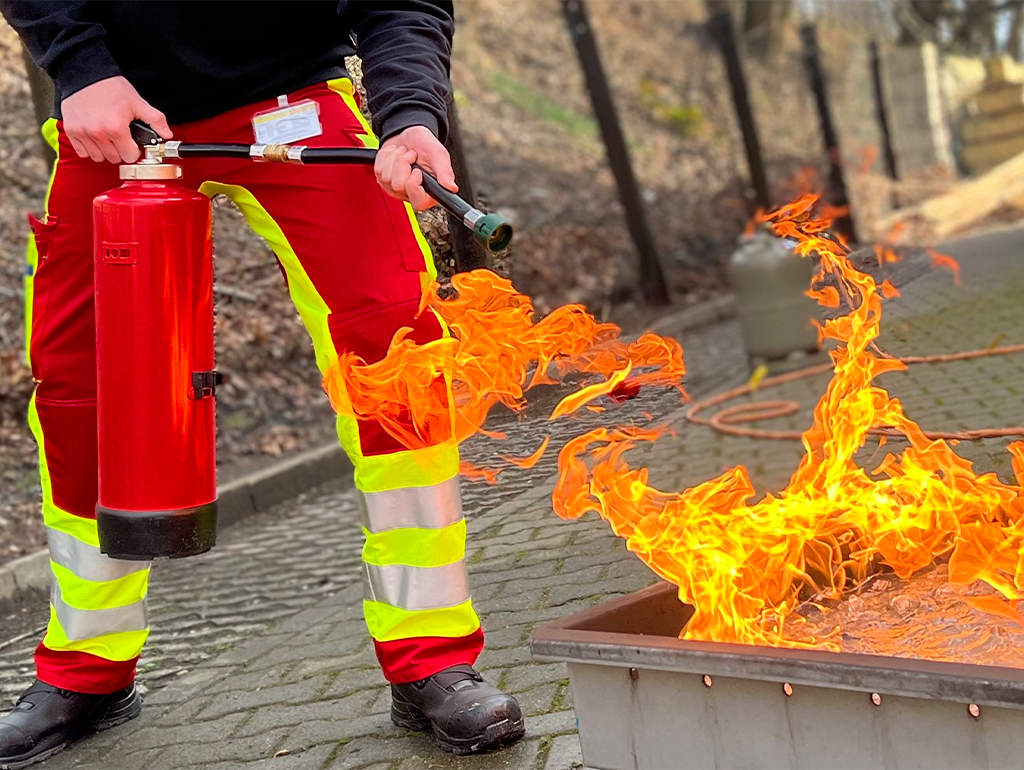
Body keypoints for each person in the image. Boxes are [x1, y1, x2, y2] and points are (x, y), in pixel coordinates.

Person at [0, 1, 525, 765]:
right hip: (113, 112)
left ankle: (429, 657)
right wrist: (80, 65)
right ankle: (88, 670)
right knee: (83, 388)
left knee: (397, 355)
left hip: (293, 99)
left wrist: (411, 114)